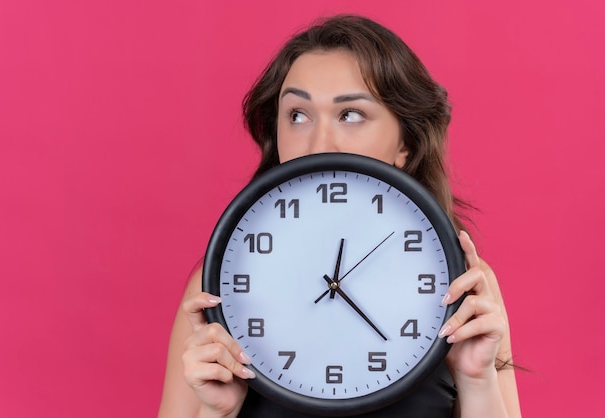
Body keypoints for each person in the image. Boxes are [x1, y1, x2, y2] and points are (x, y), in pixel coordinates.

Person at [158, 14, 521, 418]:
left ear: (406, 142)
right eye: (297, 114)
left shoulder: (466, 287)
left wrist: (476, 379)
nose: (319, 142)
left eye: (350, 114)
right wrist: (217, 412)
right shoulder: (218, 284)